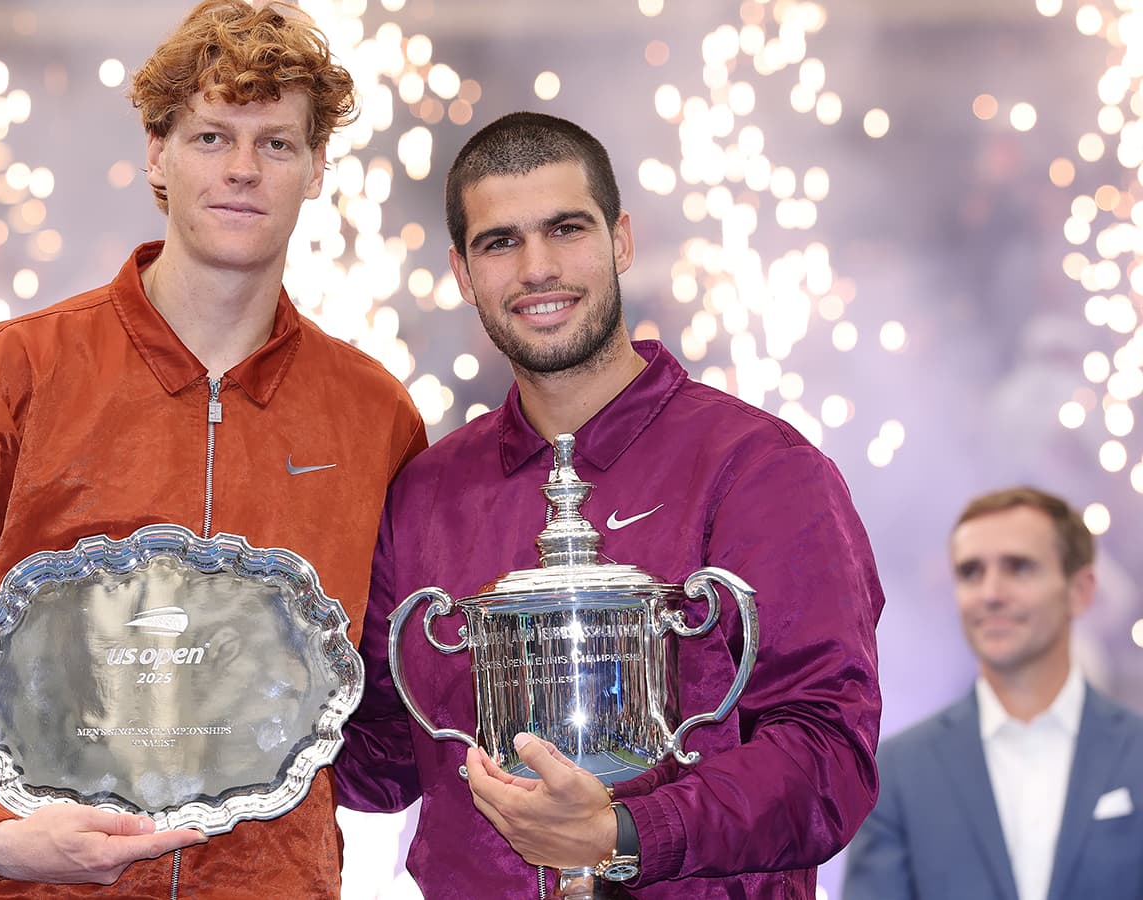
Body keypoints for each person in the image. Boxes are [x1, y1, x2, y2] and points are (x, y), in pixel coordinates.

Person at [0, 3, 427, 897]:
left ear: (315, 170)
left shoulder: (373, 413)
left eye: (276, 143)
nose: (242, 169)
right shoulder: (10, 375)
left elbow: (385, 706)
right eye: (211, 136)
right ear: (156, 153)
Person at [331, 111, 886, 898]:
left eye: (567, 229)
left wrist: (621, 837)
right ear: (462, 273)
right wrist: (241, 695)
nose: (537, 269)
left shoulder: (760, 468)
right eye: (500, 242)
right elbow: (387, 760)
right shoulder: (427, 492)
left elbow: (830, 757)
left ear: (621, 240)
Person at [843, 487, 1143, 900]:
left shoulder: (1135, 751)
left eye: (1019, 568)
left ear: (1080, 590)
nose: (990, 594)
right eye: (971, 572)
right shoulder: (897, 772)